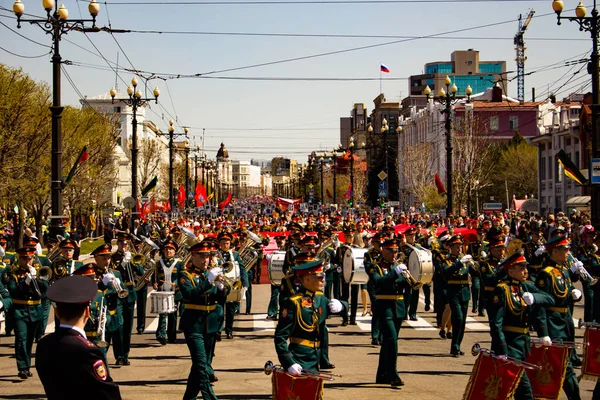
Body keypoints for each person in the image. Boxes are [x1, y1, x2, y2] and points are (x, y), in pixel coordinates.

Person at [36, 275, 122, 400]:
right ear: (87, 312)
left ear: (57, 312)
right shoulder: (87, 350)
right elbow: (108, 393)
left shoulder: (44, 344)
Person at [488, 249, 554, 399]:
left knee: (512, 390)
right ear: (511, 271)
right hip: (510, 347)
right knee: (525, 392)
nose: (526, 271)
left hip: (523, 346)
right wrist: (501, 350)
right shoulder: (502, 290)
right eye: (521, 268)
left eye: (526, 267)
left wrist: (535, 298)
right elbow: (496, 323)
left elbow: (550, 299)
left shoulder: (527, 287)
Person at [274, 257, 345, 381]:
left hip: (316, 356)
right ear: (307, 278)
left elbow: (335, 306)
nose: (323, 279)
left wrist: (343, 305)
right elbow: (280, 337)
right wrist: (288, 362)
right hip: (299, 357)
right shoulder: (293, 303)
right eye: (319, 277)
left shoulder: (320, 298)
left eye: (323, 276)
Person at [535, 235, 582, 400]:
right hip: (553, 324)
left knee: (563, 363)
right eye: (565, 249)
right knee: (565, 366)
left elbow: (564, 294)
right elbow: (541, 305)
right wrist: (543, 332)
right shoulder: (546, 274)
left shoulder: (563, 271)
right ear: (555, 251)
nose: (568, 252)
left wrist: (575, 295)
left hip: (566, 321)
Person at [179, 240, 227, 400]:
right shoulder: (185, 275)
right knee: (202, 366)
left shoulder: (210, 274)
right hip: (194, 326)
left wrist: (221, 288)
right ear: (193, 256)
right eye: (202, 256)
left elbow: (220, 300)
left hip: (210, 326)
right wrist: (208, 282)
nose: (206, 260)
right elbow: (189, 294)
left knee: (199, 368)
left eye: (208, 256)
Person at [367, 238, 410, 386]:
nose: (394, 254)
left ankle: (382, 375)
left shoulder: (398, 266)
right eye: (391, 251)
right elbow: (378, 282)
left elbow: (407, 287)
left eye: (396, 251)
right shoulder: (375, 267)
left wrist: (407, 276)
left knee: (387, 343)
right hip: (384, 307)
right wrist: (394, 274)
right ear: (383, 251)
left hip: (398, 307)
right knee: (392, 341)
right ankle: (393, 374)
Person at [6, 247, 49, 378]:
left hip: (35, 310)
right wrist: (26, 282)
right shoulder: (12, 273)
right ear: (19, 258)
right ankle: (22, 368)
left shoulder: (38, 271)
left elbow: (45, 290)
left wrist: (37, 277)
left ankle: (27, 365)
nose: (27, 260)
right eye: (24, 258)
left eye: (29, 258)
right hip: (20, 311)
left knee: (29, 340)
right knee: (21, 339)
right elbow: (13, 291)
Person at [154, 238, 184, 345]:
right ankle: (161, 335)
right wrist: (155, 283)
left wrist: (179, 284)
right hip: (163, 292)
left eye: (171, 249)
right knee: (162, 314)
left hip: (175, 293)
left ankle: (171, 336)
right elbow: (156, 276)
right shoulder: (159, 263)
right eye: (166, 249)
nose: (168, 251)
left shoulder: (179, 263)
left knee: (172, 315)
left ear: (175, 251)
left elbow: (183, 277)